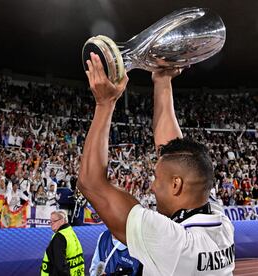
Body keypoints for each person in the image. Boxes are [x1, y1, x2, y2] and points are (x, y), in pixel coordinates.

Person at [78, 52, 235, 275]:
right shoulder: (217, 219)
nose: (152, 186)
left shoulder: (173, 244)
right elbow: (173, 151)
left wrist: (105, 103)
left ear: (176, 185)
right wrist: (162, 82)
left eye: (156, 178)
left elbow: (91, 184)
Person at [41, 210, 84, 276]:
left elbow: (60, 265)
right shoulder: (70, 232)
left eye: (54, 221)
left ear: (62, 220)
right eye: (50, 222)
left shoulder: (60, 236)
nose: (51, 224)